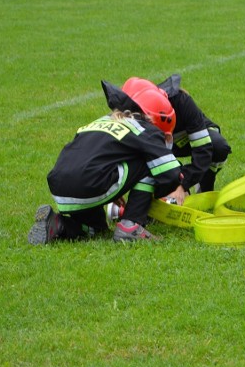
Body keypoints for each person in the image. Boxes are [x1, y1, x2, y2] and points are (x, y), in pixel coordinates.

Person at [27, 78, 185, 245]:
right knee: (151, 164)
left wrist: (114, 185)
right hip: (91, 183)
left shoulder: (102, 121)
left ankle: (58, 224)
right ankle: (130, 225)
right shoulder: (144, 129)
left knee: (96, 230)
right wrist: (155, 196)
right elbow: (171, 172)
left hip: (60, 187)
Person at [121, 74, 232, 222]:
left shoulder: (182, 102)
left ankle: (205, 186)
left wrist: (182, 184)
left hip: (186, 139)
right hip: (161, 146)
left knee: (218, 147)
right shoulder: (131, 114)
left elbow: (203, 149)